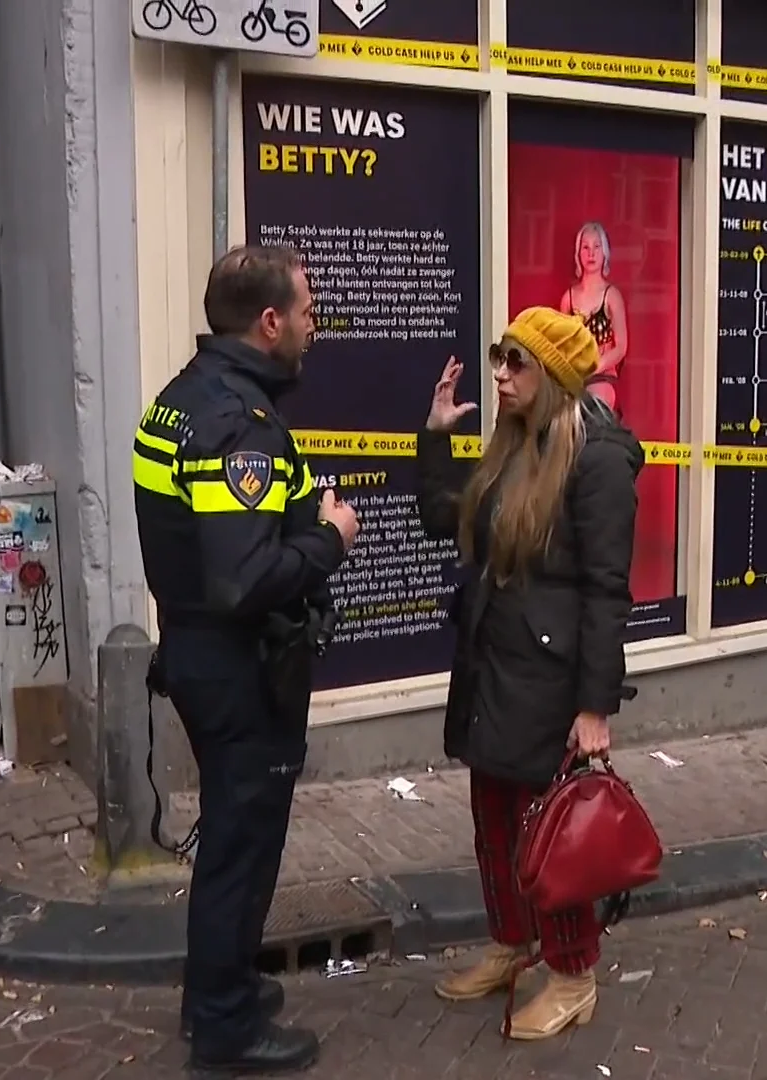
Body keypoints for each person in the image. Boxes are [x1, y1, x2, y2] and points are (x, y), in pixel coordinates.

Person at [131, 244, 360, 1075]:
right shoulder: (239, 424)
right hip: (239, 671)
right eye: (305, 313)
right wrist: (329, 537)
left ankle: (217, 990)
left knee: (235, 838)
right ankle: (226, 1027)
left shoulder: (180, 403)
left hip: (200, 657)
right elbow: (242, 578)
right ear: (269, 322)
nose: (312, 329)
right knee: (242, 844)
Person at [416, 307, 643, 1040]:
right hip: (492, 664)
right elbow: (444, 519)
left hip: (549, 677)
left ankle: (573, 974)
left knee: (552, 835)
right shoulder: (512, 444)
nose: (501, 375)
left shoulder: (599, 457)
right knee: (493, 820)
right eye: (498, 358)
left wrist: (595, 706)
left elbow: (608, 588)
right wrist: (436, 435)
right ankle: (512, 946)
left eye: (517, 362)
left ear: (554, 375)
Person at [557, 222, 629, 411]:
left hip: (604, 376)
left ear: (604, 252)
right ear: (578, 253)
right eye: (585, 247)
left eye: (596, 247)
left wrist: (595, 366)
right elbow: (564, 345)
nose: (591, 253)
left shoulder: (611, 296)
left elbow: (621, 347)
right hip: (574, 376)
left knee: (591, 405)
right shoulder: (568, 298)